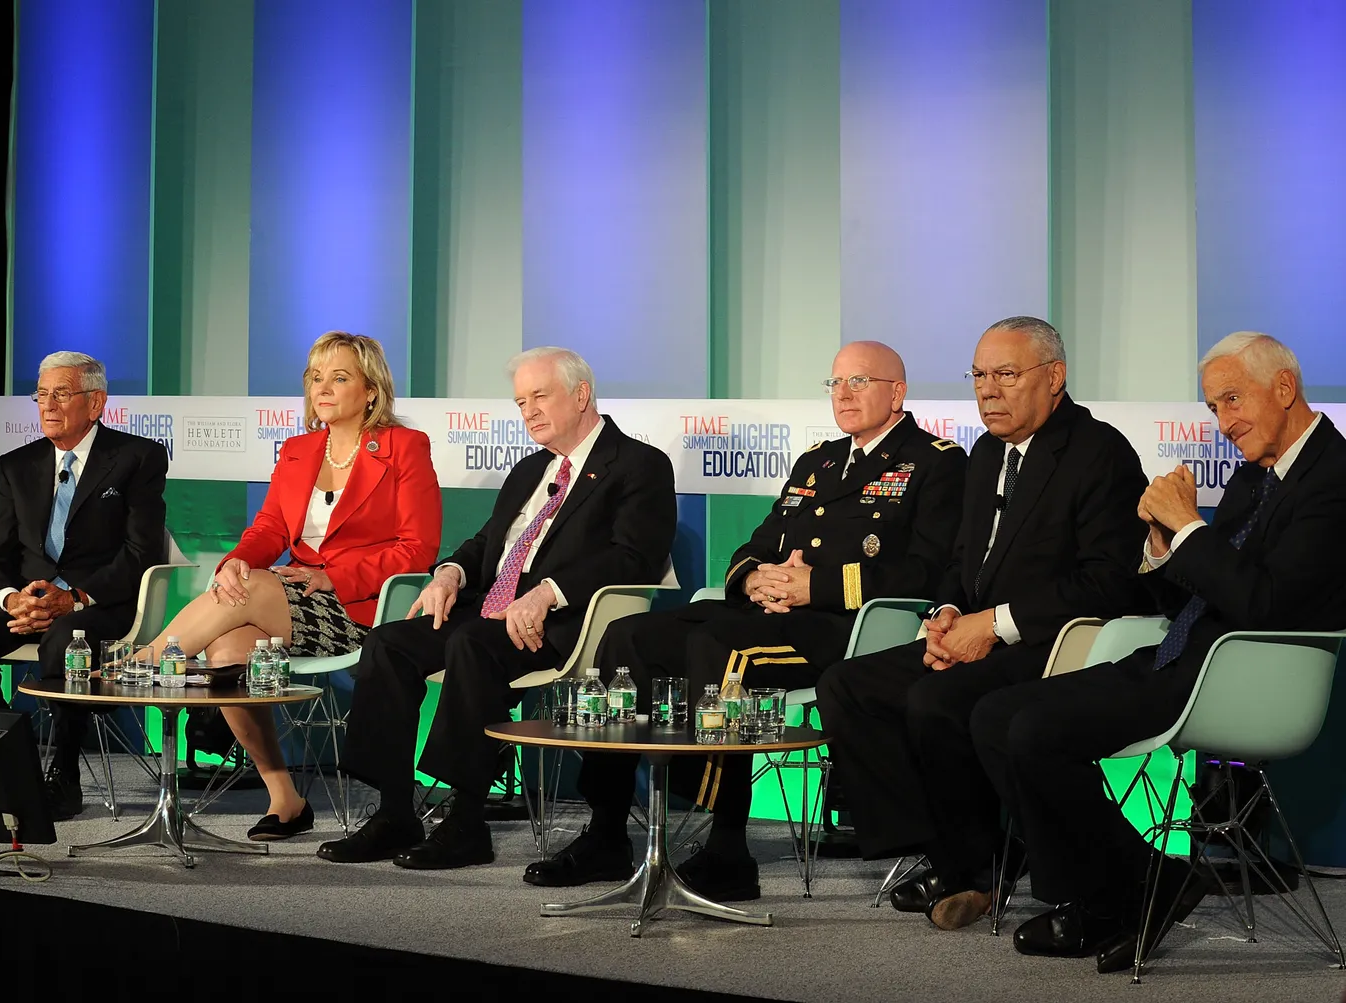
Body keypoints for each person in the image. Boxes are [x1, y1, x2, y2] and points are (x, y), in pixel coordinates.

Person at [523, 342, 967, 900]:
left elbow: (929, 571)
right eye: (835, 384)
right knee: (629, 635)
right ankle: (608, 829)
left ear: (897, 391)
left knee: (717, 649)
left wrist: (816, 587)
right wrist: (754, 579)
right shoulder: (818, 461)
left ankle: (729, 845)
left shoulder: (937, 461)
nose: (844, 394)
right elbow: (754, 546)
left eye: (859, 381)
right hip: (759, 614)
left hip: (841, 631)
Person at [972, 332, 1346, 973]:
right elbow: (1193, 596)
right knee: (993, 715)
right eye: (1213, 408)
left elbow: (1265, 606)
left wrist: (1192, 529)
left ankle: (1113, 895)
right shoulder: (1258, 476)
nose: (1224, 422)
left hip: (1241, 680)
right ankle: (1139, 883)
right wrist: (1159, 543)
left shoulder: (1333, 480)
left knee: (1036, 729)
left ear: (1284, 389)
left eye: (1233, 400)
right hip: (1180, 659)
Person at [817, 316, 1150, 931]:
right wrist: (944, 615)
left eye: (1005, 375)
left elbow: (1110, 581)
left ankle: (971, 866)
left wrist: (994, 625)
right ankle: (959, 851)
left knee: (934, 700)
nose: (987, 390)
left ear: (1055, 378)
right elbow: (960, 560)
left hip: (1056, 643)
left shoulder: (1099, 452)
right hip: (976, 631)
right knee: (846, 687)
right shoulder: (984, 451)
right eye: (978, 376)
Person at [317, 347, 677, 869]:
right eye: (520, 401)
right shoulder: (531, 468)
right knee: (389, 643)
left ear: (581, 395)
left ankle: (466, 821)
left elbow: (633, 556)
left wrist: (548, 591)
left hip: (561, 623)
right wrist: (450, 572)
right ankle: (394, 811)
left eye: (539, 397)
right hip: (491, 608)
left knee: (470, 645)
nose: (528, 410)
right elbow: (490, 541)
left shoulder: (638, 465)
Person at [147, 331, 440, 840]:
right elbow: (269, 530)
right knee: (225, 653)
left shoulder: (404, 448)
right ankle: (286, 798)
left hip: (360, 609)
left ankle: (148, 662)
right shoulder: (301, 451)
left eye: (339, 377)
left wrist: (334, 576)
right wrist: (236, 560)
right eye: (315, 377)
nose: (322, 388)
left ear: (371, 390)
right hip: (296, 598)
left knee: (258, 588)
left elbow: (418, 548)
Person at [0, 351, 167, 819]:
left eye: (61, 393)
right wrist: (11, 597)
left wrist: (75, 597)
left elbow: (142, 554)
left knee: (67, 640)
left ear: (96, 402)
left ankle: (63, 774)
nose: (48, 405)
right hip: (29, 601)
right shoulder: (18, 465)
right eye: (41, 394)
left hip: (100, 602)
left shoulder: (136, 457)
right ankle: (4, 756)